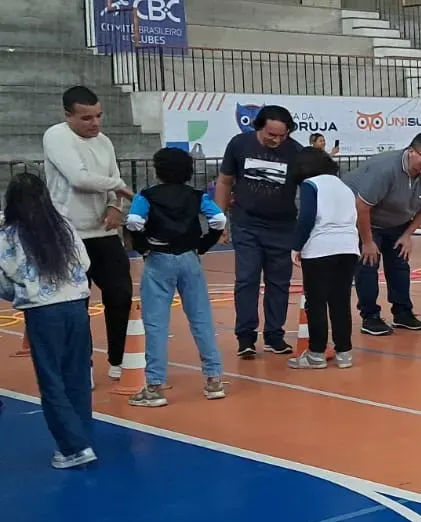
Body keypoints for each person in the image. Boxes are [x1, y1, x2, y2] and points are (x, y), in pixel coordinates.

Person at [0, 174, 94, 467]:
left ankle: (73, 447)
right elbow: (85, 263)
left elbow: (5, 279)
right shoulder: (64, 226)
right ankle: (83, 439)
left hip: (43, 312)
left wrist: (19, 293)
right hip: (77, 306)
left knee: (52, 380)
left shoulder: (9, 235)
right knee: (77, 376)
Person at [42, 86, 134, 384]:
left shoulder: (104, 141)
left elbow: (115, 178)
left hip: (104, 233)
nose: (95, 123)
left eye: (98, 116)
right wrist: (117, 187)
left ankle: (119, 360)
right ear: (67, 115)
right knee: (76, 306)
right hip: (69, 234)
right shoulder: (56, 136)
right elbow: (78, 178)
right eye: (86, 118)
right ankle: (82, 366)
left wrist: (115, 205)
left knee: (120, 294)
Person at [123, 147, 228, 405]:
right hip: (189, 258)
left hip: (159, 258)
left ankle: (154, 386)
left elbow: (134, 221)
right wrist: (205, 244)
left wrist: (142, 246)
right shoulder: (197, 195)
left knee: (156, 323)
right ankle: (214, 380)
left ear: (157, 170)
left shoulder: (147, 195)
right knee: (201, 319)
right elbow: (219, 219)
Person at [215, 103, 303, 358]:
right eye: (271, 135)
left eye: (282, 136)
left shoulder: (296, 152)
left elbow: (309, 188)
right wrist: (219, 220)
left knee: (279, 282)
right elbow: (225, 182)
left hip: (283, 227)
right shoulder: (239, 144)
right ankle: (245, 337)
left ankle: (274, 335)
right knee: (247, 279)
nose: (276, 140)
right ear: (258, 127)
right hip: (247, 224)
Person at [346, 133, 421, 336]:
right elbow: (362, 207)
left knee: (400, 264)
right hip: (366, 219)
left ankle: (402, 312)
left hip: (398, 222)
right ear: (410, 152)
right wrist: (367, 242)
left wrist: (408, 234)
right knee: (368, 264)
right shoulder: (385, 170)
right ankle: (370, 316)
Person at [288, 148, 360, 370]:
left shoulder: (311, 184)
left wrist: (296, 245)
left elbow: (307, 217)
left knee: (316, 303)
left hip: (320, 248)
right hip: (348, 247)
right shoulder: (344, 186)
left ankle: (316, 354)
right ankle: (344, 353)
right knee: (341, 302)